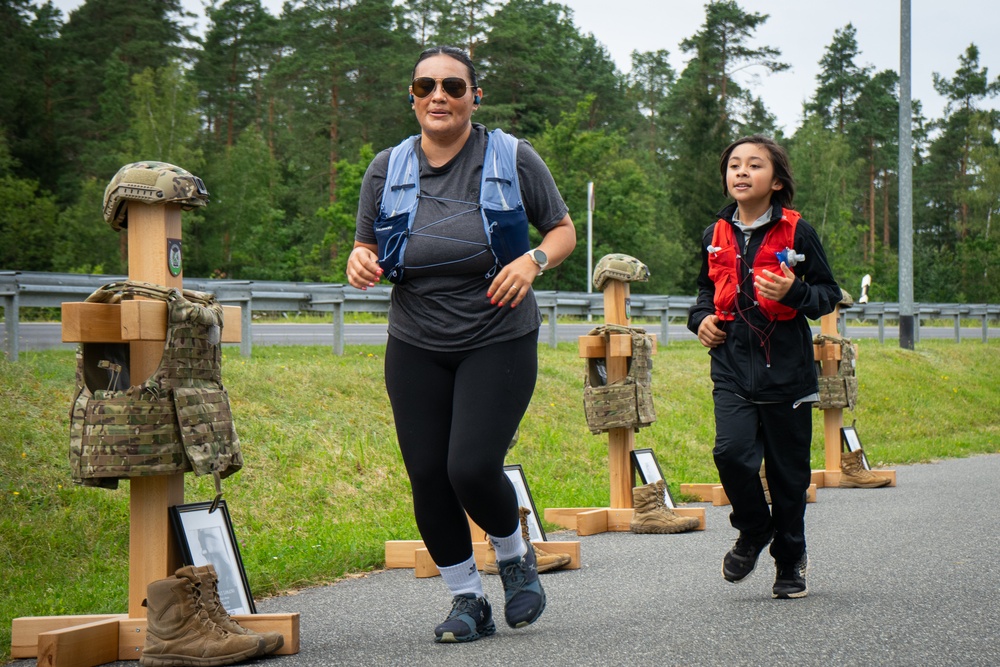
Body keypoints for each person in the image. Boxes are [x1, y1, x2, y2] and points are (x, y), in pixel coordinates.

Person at [346, 45, 576, 642]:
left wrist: (532, 261)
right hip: (416, 337)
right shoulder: (386, 166)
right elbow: (367, 243)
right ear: (414, 98)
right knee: (427, 473)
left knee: (470, 467)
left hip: (497, 331)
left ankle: (514, 556)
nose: (438, 96)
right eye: (425, 87)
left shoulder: (512, 155)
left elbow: (561, 230)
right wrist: (360, 258)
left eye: (452, 85)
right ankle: (467, 600)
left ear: (475, 95)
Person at [687, 135, 841, 600]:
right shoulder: (714, 233)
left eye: (754, 165)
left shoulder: (798, 232)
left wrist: (794, 293)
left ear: (776, 182)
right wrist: (701, 320)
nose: (741, 172)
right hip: (731, 368)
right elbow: (701, 293)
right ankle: (754, 530)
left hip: (787, 375)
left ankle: (790, 559)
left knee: (787, 477)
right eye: (734, 164)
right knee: (731, 454)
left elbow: (828, 295)